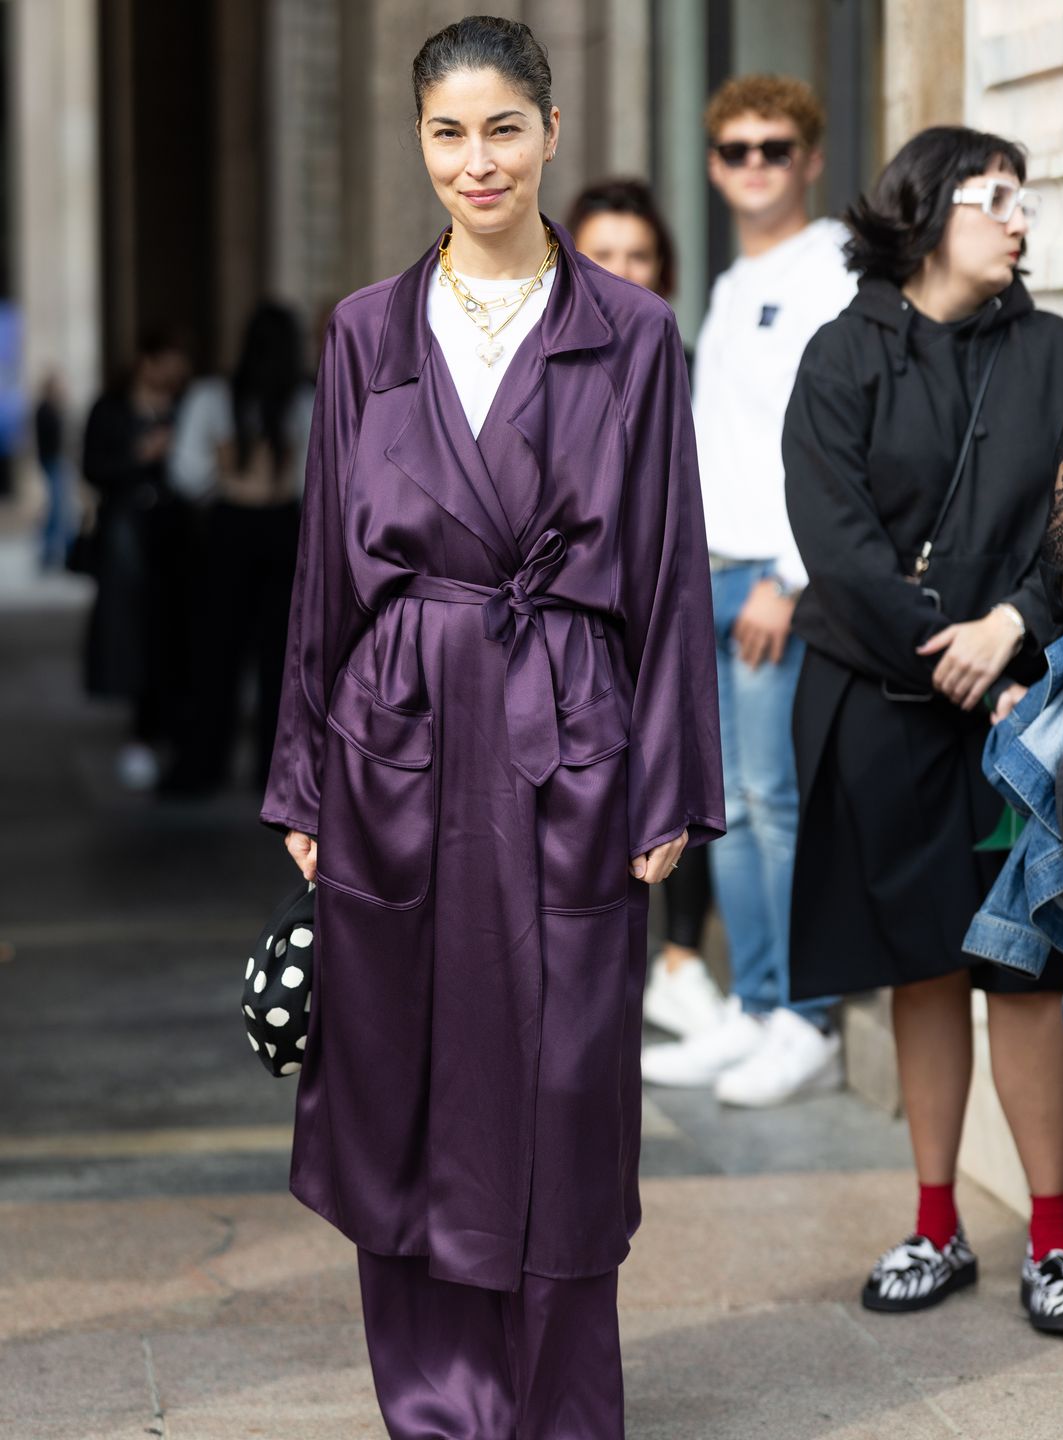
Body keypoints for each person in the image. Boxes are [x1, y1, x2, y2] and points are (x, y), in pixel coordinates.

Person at [261, 16, 725, 1438]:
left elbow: (666, 561)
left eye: (504, 129)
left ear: (552, 131)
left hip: (566, 735)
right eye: (450, 134)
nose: (479, 162)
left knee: (568, 1082)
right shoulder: (363, 333)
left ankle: (562, 1407)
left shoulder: (632, 335)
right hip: (394, 738)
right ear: (421, 143)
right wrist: (302, 776)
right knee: (397, 1075)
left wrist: (667, 785)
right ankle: (439, 1408)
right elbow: (323, 572)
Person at [782, 125, 1063, 1331]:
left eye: (1024, 200)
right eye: (994, 197)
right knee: (923, 967)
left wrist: (1011, 629)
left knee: (1026, 964)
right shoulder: (841, 356)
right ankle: (937, 1224)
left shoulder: (1061, 354)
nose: (1020, 219)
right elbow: (836, 545)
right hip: (886, 708)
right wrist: (945, 650)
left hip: (1026, 713)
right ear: (925, 211)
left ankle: (1054, 1239)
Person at [641, 75, 855, 1101]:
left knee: (778, 800)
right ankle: (755, 1003)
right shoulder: (729, 284)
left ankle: (807, 1016)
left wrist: (792, 574)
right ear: (716, 164)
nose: (756, 166)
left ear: (810, 159)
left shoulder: (835, 271)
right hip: (709, 575)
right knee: (725, 804)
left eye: (776, 148)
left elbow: (845, 445)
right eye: (736, 150)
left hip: (778, 582)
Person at [568, 176, 719, 1037]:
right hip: (570, 637)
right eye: (603, 256)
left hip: (657, 606)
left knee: (677, 781)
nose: (622, 273)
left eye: (640, 257)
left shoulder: (672, 357)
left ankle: (682, 954)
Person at [164, 302, 314, 795]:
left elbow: (185, 475)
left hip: (228, 530)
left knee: (215, 654)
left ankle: (203, 763)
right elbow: (321, 477)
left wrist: (222, 474)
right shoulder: (305, 400)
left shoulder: (213, 397)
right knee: (282, 658)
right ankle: (276, 774)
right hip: (284, 531)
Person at [82, 330, 190, 789]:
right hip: (127, 535)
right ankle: (143, 729)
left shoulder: (183, 407)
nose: (176, 371)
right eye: (169, 360)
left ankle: (167, 725)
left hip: (174, 536)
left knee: (172, 630)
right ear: (148, 361)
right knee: (131, 630)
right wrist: (141, 455)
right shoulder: (110, 409)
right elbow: (92, 467)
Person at [35, 372, 75, 569]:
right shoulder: (45, 409)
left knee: (59, 509)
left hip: (56, 461)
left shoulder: (50, 409)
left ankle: (55, 552)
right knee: (57, 509)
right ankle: (49, 552)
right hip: (53, 461)